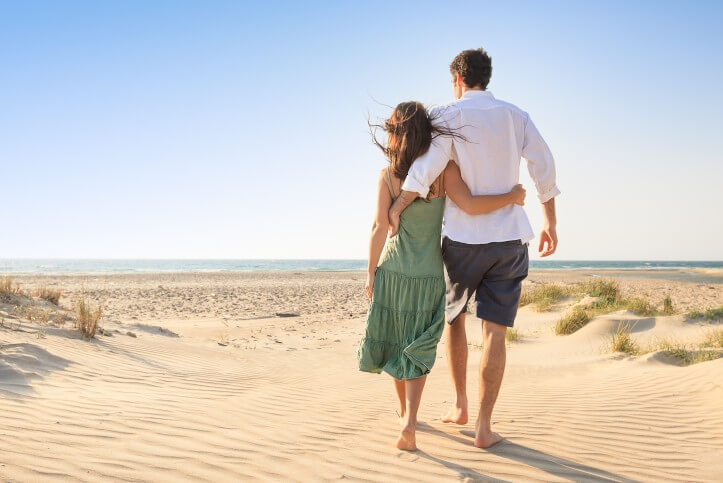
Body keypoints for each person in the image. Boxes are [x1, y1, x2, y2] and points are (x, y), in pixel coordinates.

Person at [388, 48, 561, 449]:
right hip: (508, 240)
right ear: (486, 77)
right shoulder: (516, 116)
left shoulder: (449, 115)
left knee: (454, 320)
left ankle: (460, 405)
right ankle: (484, 428)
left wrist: (397, 206)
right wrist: (550, 219)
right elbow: (544, 164)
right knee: (495, 333)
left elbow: (425, 170)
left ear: (458, 80)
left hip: (463, 242)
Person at [357, 101, 526, 451]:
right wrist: (512, 196)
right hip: (429, 274)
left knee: (394, 341)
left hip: (394, 270)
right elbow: (472, 205)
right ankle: (408, 422)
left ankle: (406, 415)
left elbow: (378, 226)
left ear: (398, 135)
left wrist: (371, 272)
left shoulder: (388, 175)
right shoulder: (444, 171)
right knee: (418, 347)